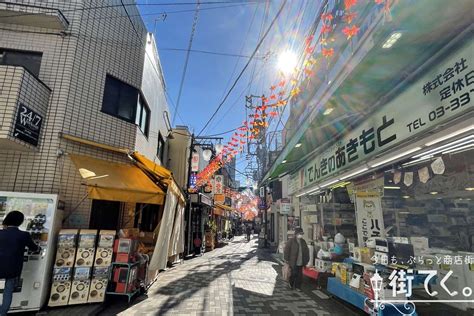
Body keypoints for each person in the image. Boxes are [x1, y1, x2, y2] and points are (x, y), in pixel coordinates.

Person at [0, 211, 39, 315]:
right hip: (13, 267)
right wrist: (39, 249)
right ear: (21, 222)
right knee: (8, 291)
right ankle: (2, 313)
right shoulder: (24, 235)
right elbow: (34, 248)